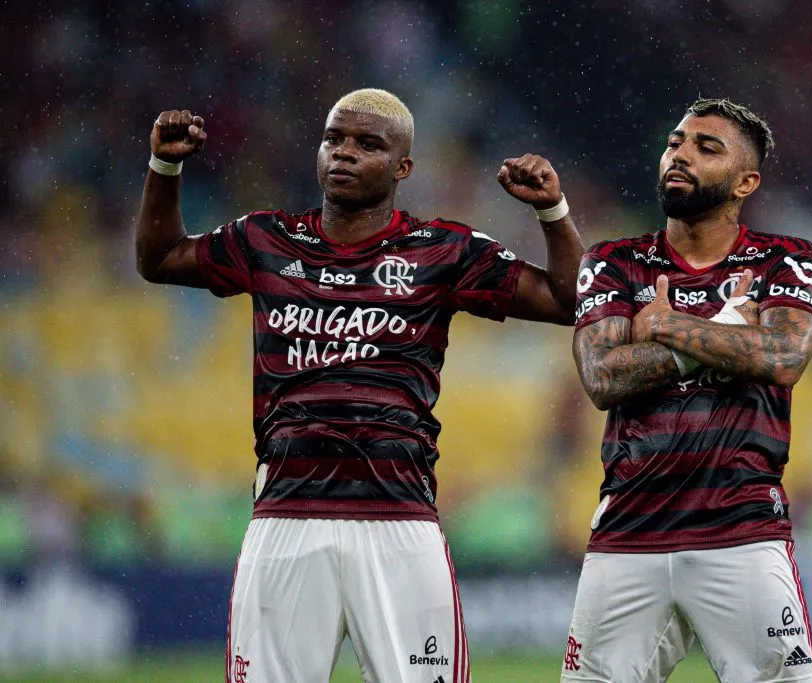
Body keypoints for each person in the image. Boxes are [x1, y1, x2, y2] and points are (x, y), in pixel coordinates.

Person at [135, 88, 584, 683]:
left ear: (403, 168)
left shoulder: (442, 250)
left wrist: (552, 213)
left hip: (398, 522)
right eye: (333, 139)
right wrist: (164, 167)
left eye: (368, 144)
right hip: (286, 520)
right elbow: (160, 258)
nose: (344, 152)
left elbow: (569, 300)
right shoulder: (267, 239)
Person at [565, 98, 812, 683]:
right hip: (627, 533)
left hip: (740, 530)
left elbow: (783, 357)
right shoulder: (613, 261)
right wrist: (728, 329)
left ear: (745, 183)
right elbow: (604, 377)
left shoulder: (786, 260)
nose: (680, 155)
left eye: (706, 148)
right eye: (675, 143)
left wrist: (665, 326)